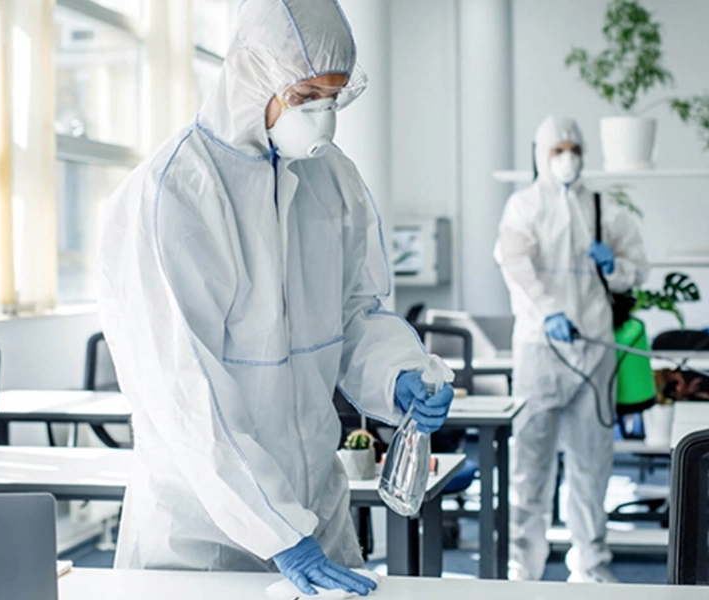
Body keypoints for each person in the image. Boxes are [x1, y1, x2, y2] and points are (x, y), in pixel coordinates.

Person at [96, 0, 453, 595]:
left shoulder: (330, 178)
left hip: (317, 505)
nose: (324, 117)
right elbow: (188, 393)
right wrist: (279, 532)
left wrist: (396, 375)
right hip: (203, 529)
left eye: (334, 98)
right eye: (307, 95)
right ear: (252, 75)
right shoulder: (174, 194)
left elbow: (355, 312)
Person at [494, 115, 648, 583]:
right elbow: (515, 264)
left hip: (595, 350)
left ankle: (591, 565)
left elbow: (636, 269)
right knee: (530, 465)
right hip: (541, 350)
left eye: (574, 148)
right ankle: (523, 565)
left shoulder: (604, 209)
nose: (567, 156)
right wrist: (547, 312)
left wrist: (616, 266)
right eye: (558, 148)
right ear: (542, 153)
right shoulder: (522, 207)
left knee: (592, 463)